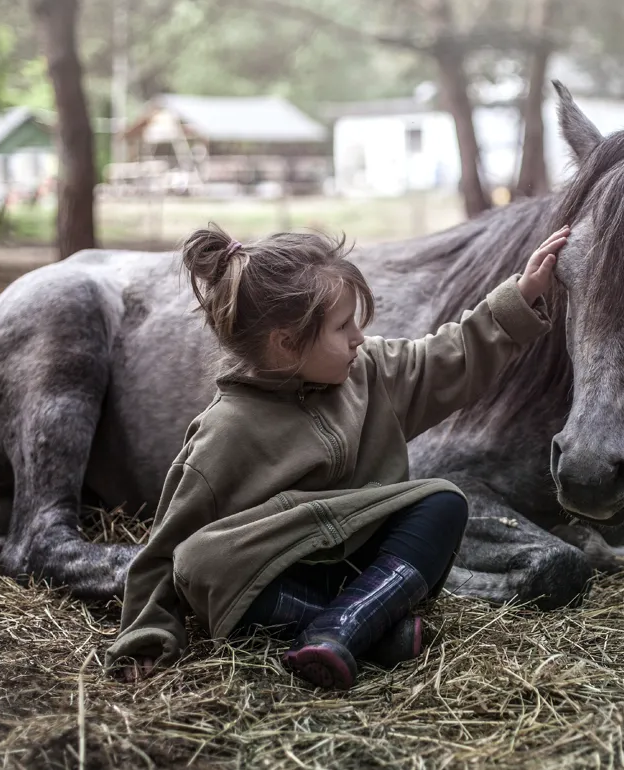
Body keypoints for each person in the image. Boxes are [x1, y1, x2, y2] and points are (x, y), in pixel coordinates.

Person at [106, 223, 569, 689]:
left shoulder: (368, 375)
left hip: (367, 561)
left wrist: (519, 298)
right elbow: (165, 548)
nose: (359, 338)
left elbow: (448, 355)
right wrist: (146, 636)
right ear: (286, 344)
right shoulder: (225, 432)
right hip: (283, 578)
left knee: (443, 500)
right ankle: (364, 626)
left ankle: (344, 623)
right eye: (343, 326)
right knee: (199, 561)